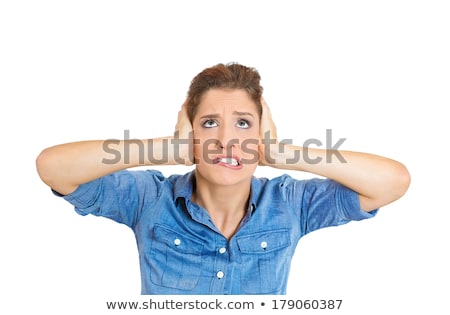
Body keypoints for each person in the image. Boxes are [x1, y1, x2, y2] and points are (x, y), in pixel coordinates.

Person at [36, 62, 410, 295]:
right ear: (191, 133)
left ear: (262, 135)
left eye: (244, 124)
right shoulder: (149, 199)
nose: (227, 141)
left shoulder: (290, 204)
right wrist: (168, 148)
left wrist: (282, 155)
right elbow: (53, 166)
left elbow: (392, 181)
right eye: (210, 123)